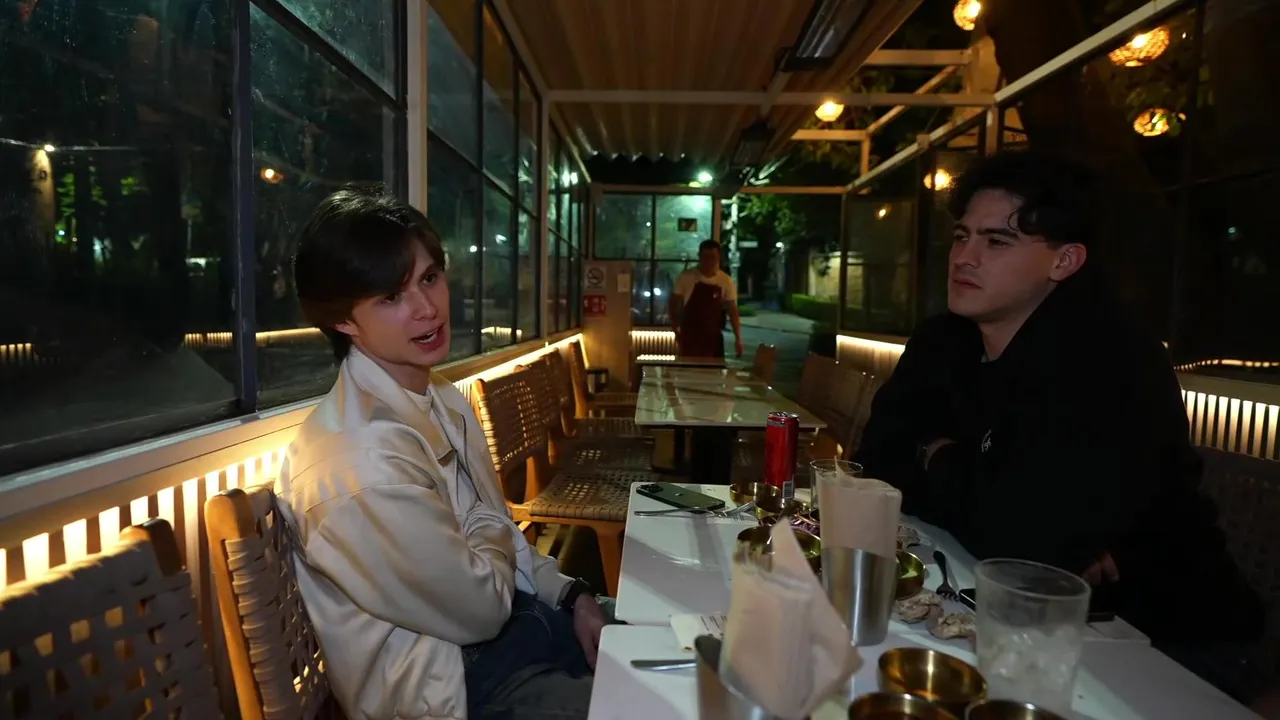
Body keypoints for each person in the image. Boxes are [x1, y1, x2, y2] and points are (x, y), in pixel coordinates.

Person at [853, 151, 1272, 707]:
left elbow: (1027, 542)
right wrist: (980, 485)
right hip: (1009, 605)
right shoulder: (943, 341)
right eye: (962, 236)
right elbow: (875, 463)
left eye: (997, 241)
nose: (964, 257)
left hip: (1169, 639)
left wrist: (933, 455)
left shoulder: (1110, 360)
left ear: (1065, 261)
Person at [275, 186, 610, 720]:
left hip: (524, 630)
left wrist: (572, 596)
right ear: (343, 320)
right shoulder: (357, 463)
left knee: (687, 653)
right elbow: (482, 607)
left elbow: (500, 543)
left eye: (429, 278)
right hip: (459, 687)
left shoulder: (442, 397)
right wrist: (485, 524)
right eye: (392, 296)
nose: (427, 309)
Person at [671, 239, 743, 357]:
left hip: (713, 338)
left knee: (714, 368)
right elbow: (673, 305)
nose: (709, 261)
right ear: (699, 256)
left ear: (719, 257)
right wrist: (675, 329)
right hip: (690, 336)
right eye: (705, 257)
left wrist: (738, 338)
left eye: (713, 257)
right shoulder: (685, 277)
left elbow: (733, 311)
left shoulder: (725, 280)